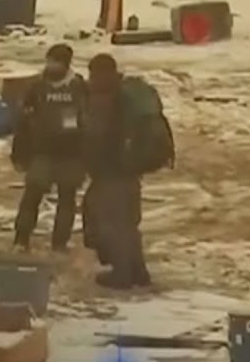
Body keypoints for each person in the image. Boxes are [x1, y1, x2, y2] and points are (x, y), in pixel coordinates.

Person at [83, 53, 173, 290]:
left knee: (112, 224)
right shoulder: (127, 95)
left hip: (112, 170)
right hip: (131, 170)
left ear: (101, 74)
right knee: (128, 223)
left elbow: (96, 136)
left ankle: (122, 274)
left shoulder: (106, 99)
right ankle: (138, 272)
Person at [11, 43, 88, 253]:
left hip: (71, 153)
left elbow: (88, 120)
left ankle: (60, 243)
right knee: (32, 195)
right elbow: (24, 122)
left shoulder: (79, 87)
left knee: (67, 198)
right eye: (49, 60)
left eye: (55, 62)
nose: (51, 66)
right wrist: (19, 151)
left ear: (65, 64)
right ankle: (21, 238)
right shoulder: (37, 87)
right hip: (42, 151)